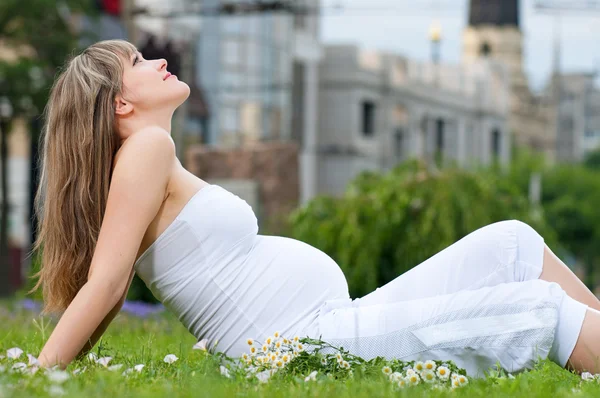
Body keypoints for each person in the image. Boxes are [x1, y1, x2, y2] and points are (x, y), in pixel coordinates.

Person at [30, 39, 600, 378]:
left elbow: (109, 280)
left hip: (328, 326)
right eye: (136, 60)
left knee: (511, 243)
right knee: (536, 310)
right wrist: (41, 377)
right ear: (121, 101)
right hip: (311, 342)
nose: (156, 59)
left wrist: (58, 367)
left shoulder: (150, 160)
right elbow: (106, 283)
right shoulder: (147, 150)